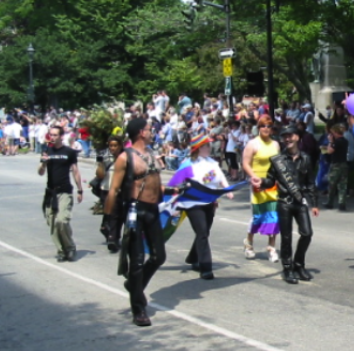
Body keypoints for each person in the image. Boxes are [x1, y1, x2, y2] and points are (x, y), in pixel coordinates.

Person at [105, 118, 168, 327]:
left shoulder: (151, 155)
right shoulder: (125, 158)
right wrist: (109, 225)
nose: (152, 132)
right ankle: (138, 308)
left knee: (159, 256)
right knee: (137, 261)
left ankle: (134, 285)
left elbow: (156, 184)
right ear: (141, 132)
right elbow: (113, 190)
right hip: (135, 211)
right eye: (150, 129)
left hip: (152, 210)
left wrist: (175, 192)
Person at [258, 125, 319, 284]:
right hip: (284, 201)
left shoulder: (305, 158)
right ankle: (287, 268)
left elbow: (310, 182)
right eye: (284, 136)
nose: (287, 139)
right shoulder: (277, 160)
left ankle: (299, 264)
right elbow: (270, 179)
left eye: (290, 135)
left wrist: (314, 203)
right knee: (286, 237)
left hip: (300, 202)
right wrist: (262, 182)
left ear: (297, 137)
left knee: (307, 233)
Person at [178, 133, 234, 279]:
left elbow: (220, 177)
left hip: (209, 201)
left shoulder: (212, 162)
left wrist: (227, 189)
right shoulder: (188, 163)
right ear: (198, 148)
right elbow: (177, 182)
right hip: (193, 202)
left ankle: (193, 257)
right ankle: (205, 267)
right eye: (206, 145)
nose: (209, 147)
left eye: (209, 145)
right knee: (202, 232)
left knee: (204, 232)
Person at [38, 126, 83, 262]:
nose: (52, 137)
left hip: (64, 191)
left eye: (55, 135)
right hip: (51, 192)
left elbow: (75, 171)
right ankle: (61, 250)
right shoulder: (47, 151)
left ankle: (70, 247)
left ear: (61, 136)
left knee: (61, 221)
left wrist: (80, 189)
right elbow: (40, 172)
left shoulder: (69, 152)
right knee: (52, 223)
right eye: (51, 135)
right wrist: (43, 163)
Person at [241, 115, 281, 261]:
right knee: (258, 216)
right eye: (263, 126)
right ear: (258, 128)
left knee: (274, 216)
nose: (266, 129)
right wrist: (253, 176)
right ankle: (249, 243)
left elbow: (279, 164)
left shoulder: (275, 144)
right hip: (257, 184)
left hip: (272, 184)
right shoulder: (252, 144)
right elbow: (245, 163)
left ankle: (271, 246)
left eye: (269, 126)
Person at [96, 136, 125, 253]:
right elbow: (100, 175)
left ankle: (108, 230)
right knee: (114, 215)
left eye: (115, 145)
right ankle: (113, 239)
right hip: (106, 190)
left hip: (120, 191)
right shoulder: (105, 157)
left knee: (119, 216)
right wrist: (100, 163)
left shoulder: (124, 158)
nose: (113, 148)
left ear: (120, 146)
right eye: (110, 146)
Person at [325, 123, 349, 211]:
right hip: (344, 163)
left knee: (332, 184)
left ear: (335, 132)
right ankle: (342, 203)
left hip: (336, 165)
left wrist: (330, 141)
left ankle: (330, 202)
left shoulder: (337, 141)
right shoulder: (345, 141)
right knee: (342, 185)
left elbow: (329, 151)